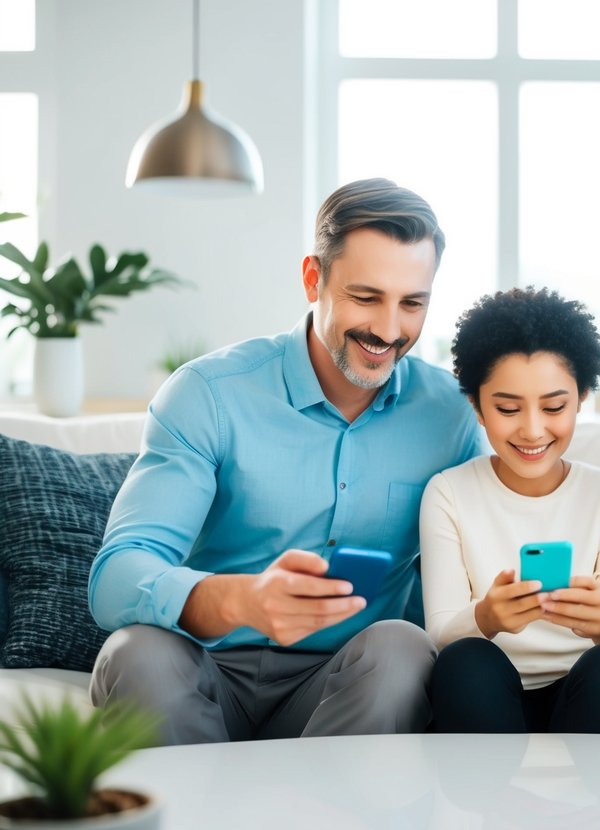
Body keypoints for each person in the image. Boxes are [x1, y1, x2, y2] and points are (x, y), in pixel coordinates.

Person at [89, 178, 484, 745]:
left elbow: (478, 561)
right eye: (366, 297)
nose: (389, 330)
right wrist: (239, 599)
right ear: (312, 279)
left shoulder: (451, 413)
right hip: (206, 667)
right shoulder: (209, 394)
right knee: (138, 653)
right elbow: (117, 576)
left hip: (346, 684)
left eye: (412, 303)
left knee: (401, 647)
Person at [420, 287, 600, 733]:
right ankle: (493, 802)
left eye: (554, 406)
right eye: (507, 408)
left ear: (582, 398)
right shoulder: (448, 492)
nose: (532, 430)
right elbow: (440, 637)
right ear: (477, 407)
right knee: (466, 662)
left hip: (585, 690)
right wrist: (486, 617)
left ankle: (592, 804)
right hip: (487, 690)